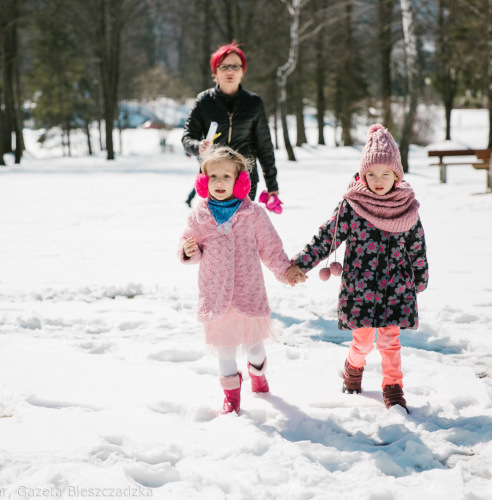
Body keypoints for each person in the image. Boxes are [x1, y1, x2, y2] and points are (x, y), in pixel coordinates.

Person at [285, 124, 429, 413]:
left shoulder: (406, 207)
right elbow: (327, 236)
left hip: (396, 287)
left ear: (396, 176)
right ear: (363, 175)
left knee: (390, 340)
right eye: (371, 174)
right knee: (362, 341)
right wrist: (302, 262)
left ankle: (393, 386)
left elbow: (417, 246)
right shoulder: (352, 206)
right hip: (360, 287)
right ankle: (353, 366)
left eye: (385, 174)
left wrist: (420, 277)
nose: (378, 180)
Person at [178, 146, 290, 415]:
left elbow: (271, 248)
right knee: (224, 350)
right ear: (203, 181)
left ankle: (258, 374)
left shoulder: (254, 214)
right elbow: (187, 242)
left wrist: (285, 270)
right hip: (215, 294)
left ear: (240, 180)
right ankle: (231, 397)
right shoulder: (199, 215)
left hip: (247, 292)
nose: (219, 182)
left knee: (254, 348)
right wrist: (188, 251)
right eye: (212, 176)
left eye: (226, 176)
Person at [182, 42, 279, 206]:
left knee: (241, 229)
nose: (230, 71)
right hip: (213, 178)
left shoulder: (253, 103)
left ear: (242, 71)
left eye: (235, 66)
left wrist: (272, 185)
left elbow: (265, 147)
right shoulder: (204, 101)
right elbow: (187, 138)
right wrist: (198, 147)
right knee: (215, 230)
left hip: (244, 179)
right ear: (215, 72)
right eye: (224, 66)